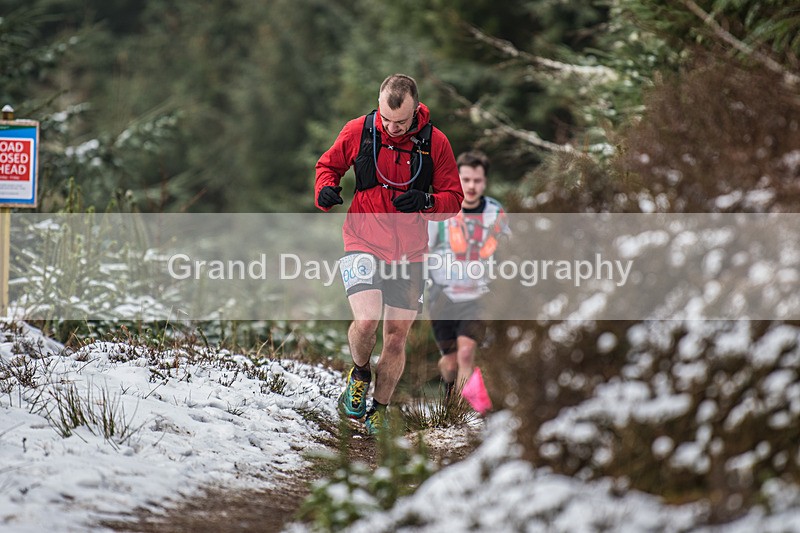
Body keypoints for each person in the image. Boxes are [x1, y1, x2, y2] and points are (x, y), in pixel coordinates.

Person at [315, 74, 463, 434]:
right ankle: (360, 372)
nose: (392, 128)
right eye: (386, 120)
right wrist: (325, 191)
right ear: (378, 106)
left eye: (401, 122)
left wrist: (427, 201)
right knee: (366, 322)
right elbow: (328, 167)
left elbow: (453, 199)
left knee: (396, 336)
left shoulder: (435, 143)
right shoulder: (359, 130)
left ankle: (379, 410)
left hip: (411, 252)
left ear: (416, 112)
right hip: (362, 239)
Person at [427, 150, 509, 400]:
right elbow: (422, 251)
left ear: (484, 182)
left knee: (466, 353)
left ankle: (461, 416)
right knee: (450, 363)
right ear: (457, 179)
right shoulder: (440, 210)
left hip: (478, 295)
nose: (471, 186)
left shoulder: (495, 213)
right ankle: (451, 392)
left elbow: (509, 251)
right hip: (443, 295)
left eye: (477, 180)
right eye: (466, 180)